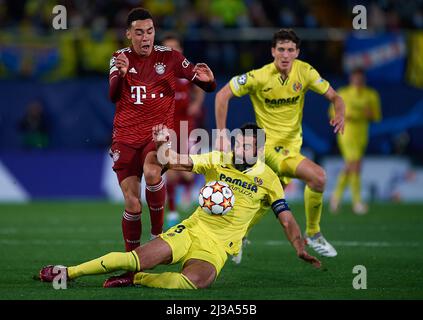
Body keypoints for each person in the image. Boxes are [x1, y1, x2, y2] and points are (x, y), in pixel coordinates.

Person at [39, 123, 321, 289]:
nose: (242, 149)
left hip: (218, 248)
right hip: (192, 229)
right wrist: (161, 143)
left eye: (249, 146)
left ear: (259, 150)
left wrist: (299, 246)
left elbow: (286, 219)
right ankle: (69, 272)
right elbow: (175, 160)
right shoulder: (217, 159)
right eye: (240, 143)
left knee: (192, 284)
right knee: (134, 258)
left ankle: (140, 280)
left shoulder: (269, 180)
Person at [215, 29, 345, 259]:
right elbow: (222, 94)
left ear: (297, 52)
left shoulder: (305, 72)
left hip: (292, 147)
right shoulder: (259, 77)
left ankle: (235, 237)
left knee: (267, 199)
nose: (285, 55)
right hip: (268, 148)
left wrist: (340, 112)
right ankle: (313, 233)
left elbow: (336, 97)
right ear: (273, 51)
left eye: (290, 50)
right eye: (281, 49)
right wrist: (222, 133)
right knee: (318, 176)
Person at [108, 7, 216, 254]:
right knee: (133, 204)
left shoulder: (171, 57)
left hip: (157, 133)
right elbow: (112, 95)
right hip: (124, 137)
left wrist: (209, 81)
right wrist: (121, 76)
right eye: (139, 32)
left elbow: (203, 83)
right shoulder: (119, 58)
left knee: (152, 170)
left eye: (150, 31)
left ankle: (157, 234)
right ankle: (132, 260)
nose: (146, 37)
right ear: (128, 34)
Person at [160, 33, 206, 229]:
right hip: (167, 125)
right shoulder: (157, 71)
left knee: (187, 171)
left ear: (181, 50)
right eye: (167, 49)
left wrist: (196, 104)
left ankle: (188, 189)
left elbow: (201, 87)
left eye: (175, 48)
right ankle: (171, 211)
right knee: (169, 169)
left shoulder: (188, 70)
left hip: (186, 124)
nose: (172, 52)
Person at [329, 68, 382, 215]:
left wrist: (369, 114)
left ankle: (335, 197)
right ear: (351, 79)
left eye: (360, 78)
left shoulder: (371, 94)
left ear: (363, 79)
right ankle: (357, 202)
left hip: (362, 134)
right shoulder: (343, 93)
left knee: (350, 166)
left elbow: (377, 115)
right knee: (356, 165)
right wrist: (344, 116)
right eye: (355, 78)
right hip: (346, 133)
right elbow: (332, 112)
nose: (358, 81)